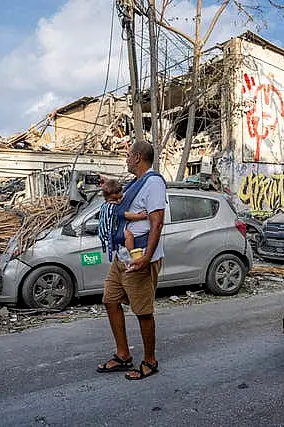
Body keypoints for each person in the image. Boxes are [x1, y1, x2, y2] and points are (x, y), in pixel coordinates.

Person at [96, 141, 166, 380]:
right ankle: (123, 355)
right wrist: (107, 183)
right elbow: (119, 201)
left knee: (142, 311)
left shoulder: (154, 183)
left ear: (137, 157)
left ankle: (150, 360)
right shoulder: (135, 184)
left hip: (139, 258)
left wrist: (146, 258)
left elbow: (157, 223)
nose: (125, 160)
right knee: (110, 300)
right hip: (122, 256)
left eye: (127, 156)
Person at [97, 179, 148, 261]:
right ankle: (131, 254)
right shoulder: (113, 207)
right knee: (129, 235)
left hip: (109, 231)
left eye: (121, 197)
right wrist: (140, 216)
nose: (119, 201)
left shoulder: (104, 205)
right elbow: (126, 215)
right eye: (115, 199)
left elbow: (125, 188)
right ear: (107, 198)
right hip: (112, 232)